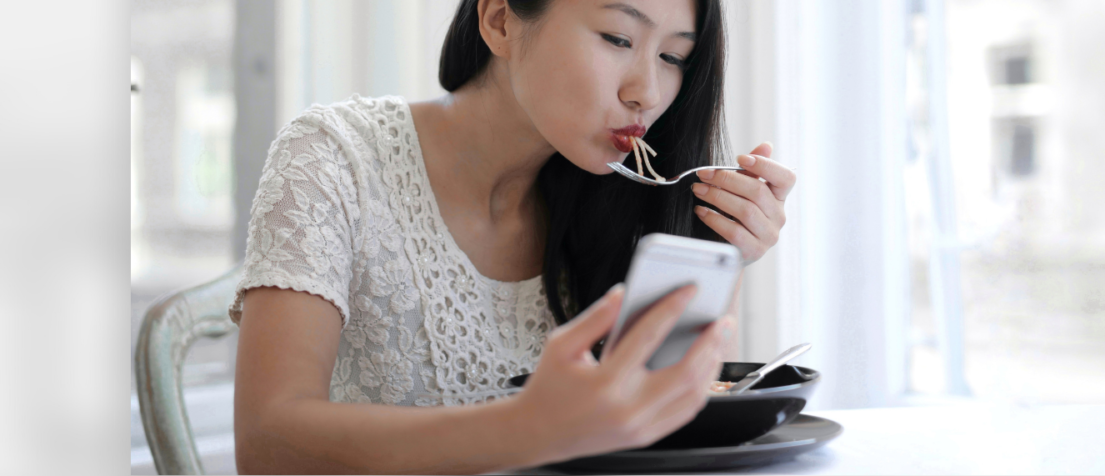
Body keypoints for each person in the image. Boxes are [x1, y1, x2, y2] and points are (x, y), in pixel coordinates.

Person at [228, 0, 796, 473]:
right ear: (500, 20)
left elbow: (664, 428)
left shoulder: (622, 202)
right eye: (618, 38)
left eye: (673, 56)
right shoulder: (334, 158)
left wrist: (719, 258)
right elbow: (267, 443)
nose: (646, 90)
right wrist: (529, 428)